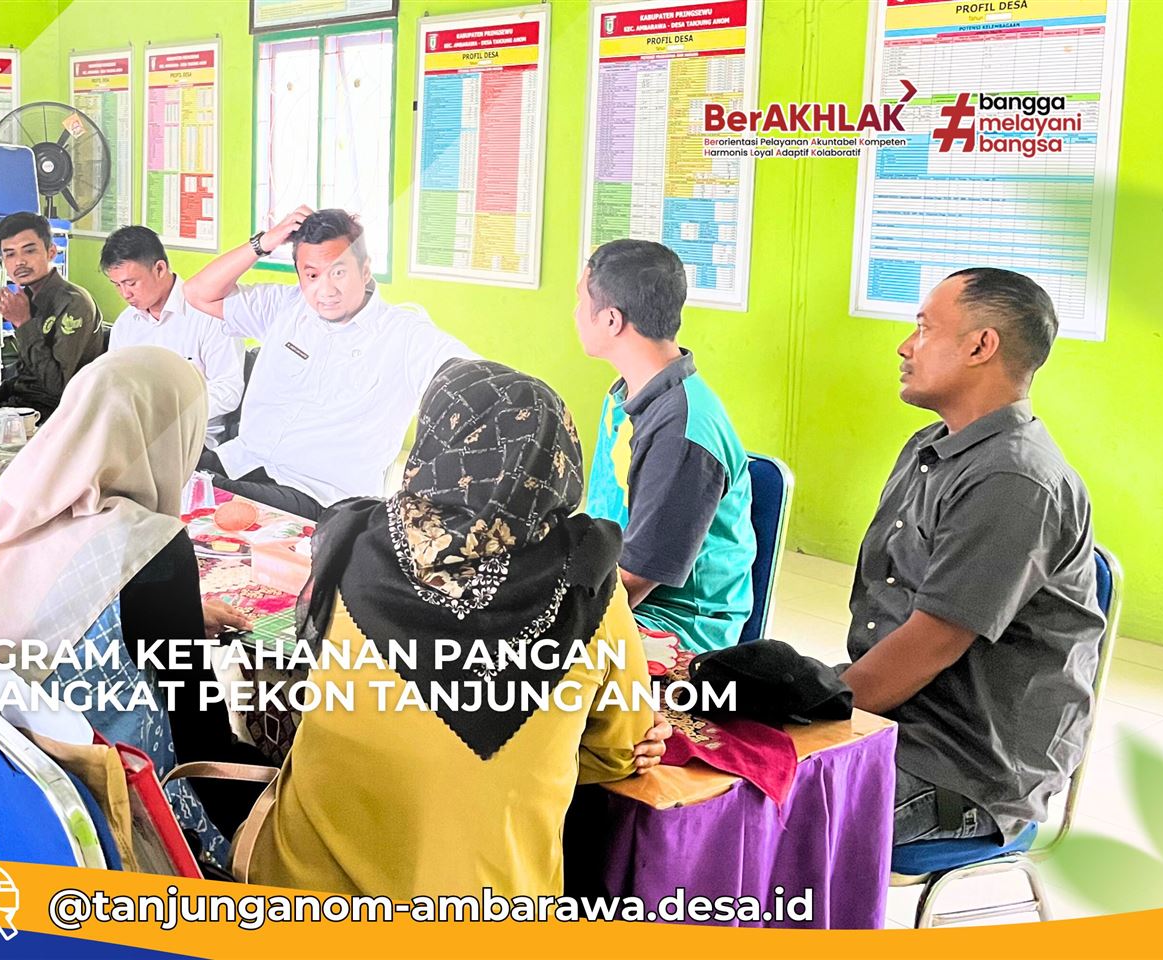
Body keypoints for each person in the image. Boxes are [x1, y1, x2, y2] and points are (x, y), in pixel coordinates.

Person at [245, 359, 665, 897]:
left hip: (292, 896)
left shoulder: (352, 540)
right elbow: (621, 749)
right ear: (555, 461)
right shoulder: (588, 581)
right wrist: (525, 760)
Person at [0, 345, 262, 870]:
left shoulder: (4, 527)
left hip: (5, 793)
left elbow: (68, 609)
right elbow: (198, 729)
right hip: (117, 819)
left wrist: (177, 613)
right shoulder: (150, 548)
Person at [840, 268, 1103, 846]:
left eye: (923, 329)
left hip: (961, 765)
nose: (904, 347)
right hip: (900, 718)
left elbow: (928, 646)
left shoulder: (1013, 480)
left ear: (981, 346)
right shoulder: (929, 449)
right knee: (703, 740)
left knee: (748, 811)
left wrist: (814, 711)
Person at [181, 207, 477, 520]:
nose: (326, 290)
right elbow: (198, 293)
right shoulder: (285, 307)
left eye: (338, 272)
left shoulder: (406, 335)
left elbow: (482, 385)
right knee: (158, 472)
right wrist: (264, 242)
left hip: (318, 496)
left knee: (197, 497)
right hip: (241, 460)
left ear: (365, 270)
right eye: (312, 275)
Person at [573, 239, 756, 652]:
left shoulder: (683, 431)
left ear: (611, 320)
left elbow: (636, 578)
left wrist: (548, 620)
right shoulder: (627, 393)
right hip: (615, 590)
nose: (575, 313)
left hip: (672, 624)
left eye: (581, 301)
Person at [102, 225, 245, 445]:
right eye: (117, 285)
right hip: (137, 431)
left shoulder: (209, 314)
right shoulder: (126, 323)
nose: (125, 294)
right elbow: (115, 383)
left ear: (160, 269)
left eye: (131, 283)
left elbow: (229, 389)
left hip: (192, 436)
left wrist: (170, 414)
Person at [0, 212, 107, 420]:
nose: (19, 262)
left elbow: (56, 388)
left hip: (55, 418)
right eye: (10, 254)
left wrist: (23, 323)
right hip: (20, 410)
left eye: (29, 250)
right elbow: (25, 377)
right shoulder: (27, 298)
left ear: (51, 252)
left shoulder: (74, 302)